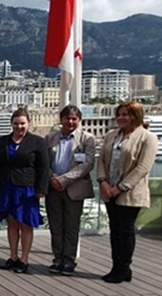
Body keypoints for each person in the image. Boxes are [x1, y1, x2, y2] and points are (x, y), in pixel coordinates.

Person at [97, 101, 158, 284]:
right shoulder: (111, 135)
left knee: (125, 230)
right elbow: (101, 160)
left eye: (126, 114)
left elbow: (143, 168)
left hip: (130, 192)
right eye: (120, 114)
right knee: (115, 230)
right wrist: (103, 182)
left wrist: (120, 187)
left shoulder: (147, 138)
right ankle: (118, 266)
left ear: (136, 116)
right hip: (109, 190)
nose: (122, 118)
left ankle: (123, 268)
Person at [0, 107, 49, 274]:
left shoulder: (37, 142)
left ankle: (24, 259)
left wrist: (41, 189)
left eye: (22, 123)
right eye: (16, 123)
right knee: (12, 223)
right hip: (8, 187)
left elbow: (44, 167)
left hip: (27, 188)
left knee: (26, 224)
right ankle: (13, 256)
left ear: (28, 124)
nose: (19, 127)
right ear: (12, 124)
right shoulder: (3, 141)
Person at [45, 105, 95, 275]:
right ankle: (57, 258)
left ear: (79, 120)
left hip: (74, 189)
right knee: (55, 226)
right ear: (61, 119)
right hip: (53, 188)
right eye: (67, 118)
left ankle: (69, 260)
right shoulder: (50, 138)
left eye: (74, 118)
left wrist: (64, 180)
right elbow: (44, 162)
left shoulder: (87, 139)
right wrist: (53, 178)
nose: (70, 122)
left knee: (71, 227)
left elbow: (87, 164)